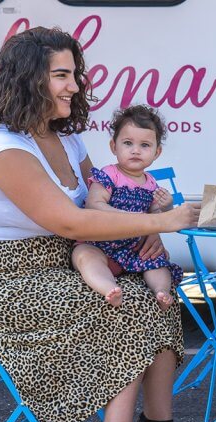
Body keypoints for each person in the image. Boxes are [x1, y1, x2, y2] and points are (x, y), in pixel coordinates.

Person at [0, 27, 199, 422]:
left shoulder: (68, 141)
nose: (74, 85)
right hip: (10, 280)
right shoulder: (3, 148)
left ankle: (158, 421)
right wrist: (162, 220)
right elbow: (69, 220)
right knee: (129, 309)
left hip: (69, 263)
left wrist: (150, 229)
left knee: (160, 298)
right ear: (28, 79)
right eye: (61, 75)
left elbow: (107, 203)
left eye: (74, 74)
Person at [73, 105, 182, 310]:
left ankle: (161, 291)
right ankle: (108, 288)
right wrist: (128, 217)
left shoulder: (151, 183)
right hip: (100, 244)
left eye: (145, 145)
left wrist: (166, 206)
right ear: (114, 146)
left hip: (132, 249)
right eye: (128, 143)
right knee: (85, 255)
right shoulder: (109, 175)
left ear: (157, 152)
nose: (135, 150)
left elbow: (156, 216)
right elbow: (93, 205)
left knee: (157, 261)